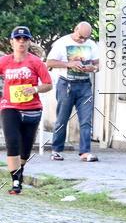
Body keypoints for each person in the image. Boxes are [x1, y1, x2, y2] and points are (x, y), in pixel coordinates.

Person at [0, 26, 52, 194]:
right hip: (10, 107)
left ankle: (20, 171)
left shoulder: (36, 62)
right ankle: (16, 182)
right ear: (12, 42)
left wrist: (35, 89)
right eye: (18, 39)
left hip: (32, 109)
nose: (21, 42)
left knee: (26, 148)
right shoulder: (4, 61)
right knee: (12, 142)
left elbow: (48, 84)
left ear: (29, 42)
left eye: (25, 39)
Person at [47, 22, 100, 162]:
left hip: (85, 85)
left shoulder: (92, 45)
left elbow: (98, 64)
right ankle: (56, 150)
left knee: (86, 120)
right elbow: (49, 62)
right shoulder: (62, 42)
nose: (83, 40)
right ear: (75, 29)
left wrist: (93, 68)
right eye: (81, 37)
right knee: (62, 118)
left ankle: (85, 152)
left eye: (86, 38)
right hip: (66, 84)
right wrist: (68, 64)